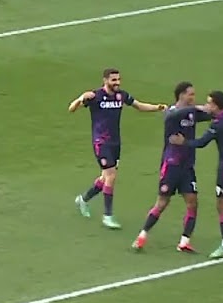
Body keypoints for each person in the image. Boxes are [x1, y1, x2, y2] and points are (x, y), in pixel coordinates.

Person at [68, 69, 167, 230]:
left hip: (115, 143)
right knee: (111, 176)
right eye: (113, 80)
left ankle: (83, 199)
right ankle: (107, 216)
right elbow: (71, 109)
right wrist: (80, 98)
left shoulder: (121, 95)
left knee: (104, 178)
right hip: (101, 142)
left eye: (119, 79)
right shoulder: (95, 96)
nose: (117, 83)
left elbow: (139, 105)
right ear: (105, 80)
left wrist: (158, 107)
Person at [132, 82, 213, 253]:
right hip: (171, 166)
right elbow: (173, 115)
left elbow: (211, 114)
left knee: (192, 203)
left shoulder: (191, 113)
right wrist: (195, 108)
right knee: (162, 203)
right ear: (181, 95)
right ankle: (142, 236)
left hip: (187, 167)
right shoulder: (171, 112)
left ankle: (184, 242)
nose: (193, 97)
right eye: (191, 94)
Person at [170, 90, 223, 259]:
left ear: (216, 105)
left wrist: (183, 142)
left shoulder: (217, 124)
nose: (206, 105)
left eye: (209, 103)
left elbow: (201, 143)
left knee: (221, 204)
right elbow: (221, 111)